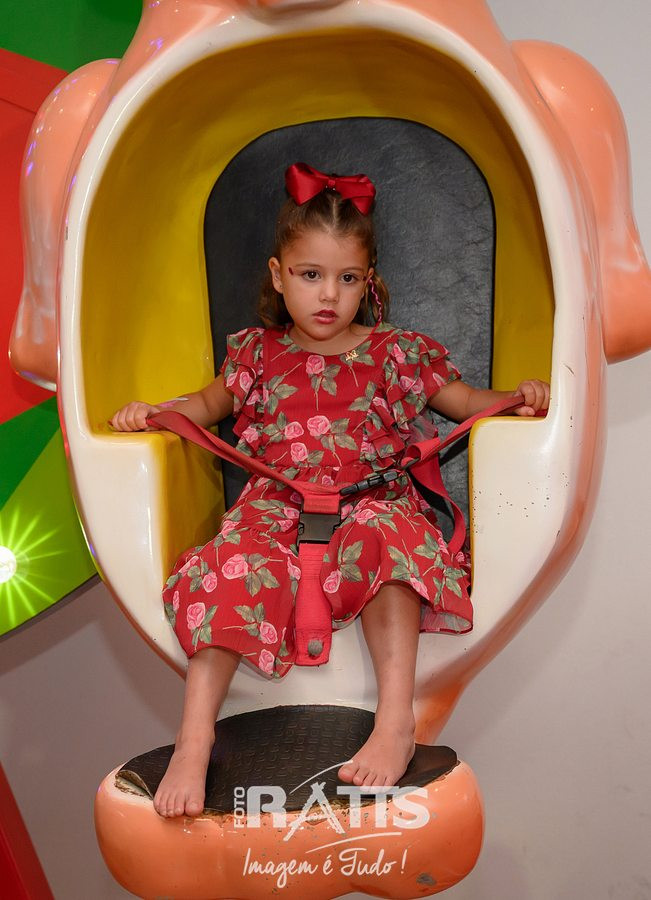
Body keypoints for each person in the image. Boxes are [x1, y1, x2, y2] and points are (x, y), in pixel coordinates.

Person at [110, 162, 550, 819]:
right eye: (310, 275)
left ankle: (395, 721)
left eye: (347, 279)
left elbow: (463, 402)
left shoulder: (396, 352)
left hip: (369, 500)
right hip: (275, 507)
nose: (328, 295)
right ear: (278, 274)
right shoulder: (255, 355)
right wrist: (152, 413)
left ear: (368, 282)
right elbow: (203, 405)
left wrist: (518, 397)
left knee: (390, 541)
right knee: (234, 565)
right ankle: (195, 738)